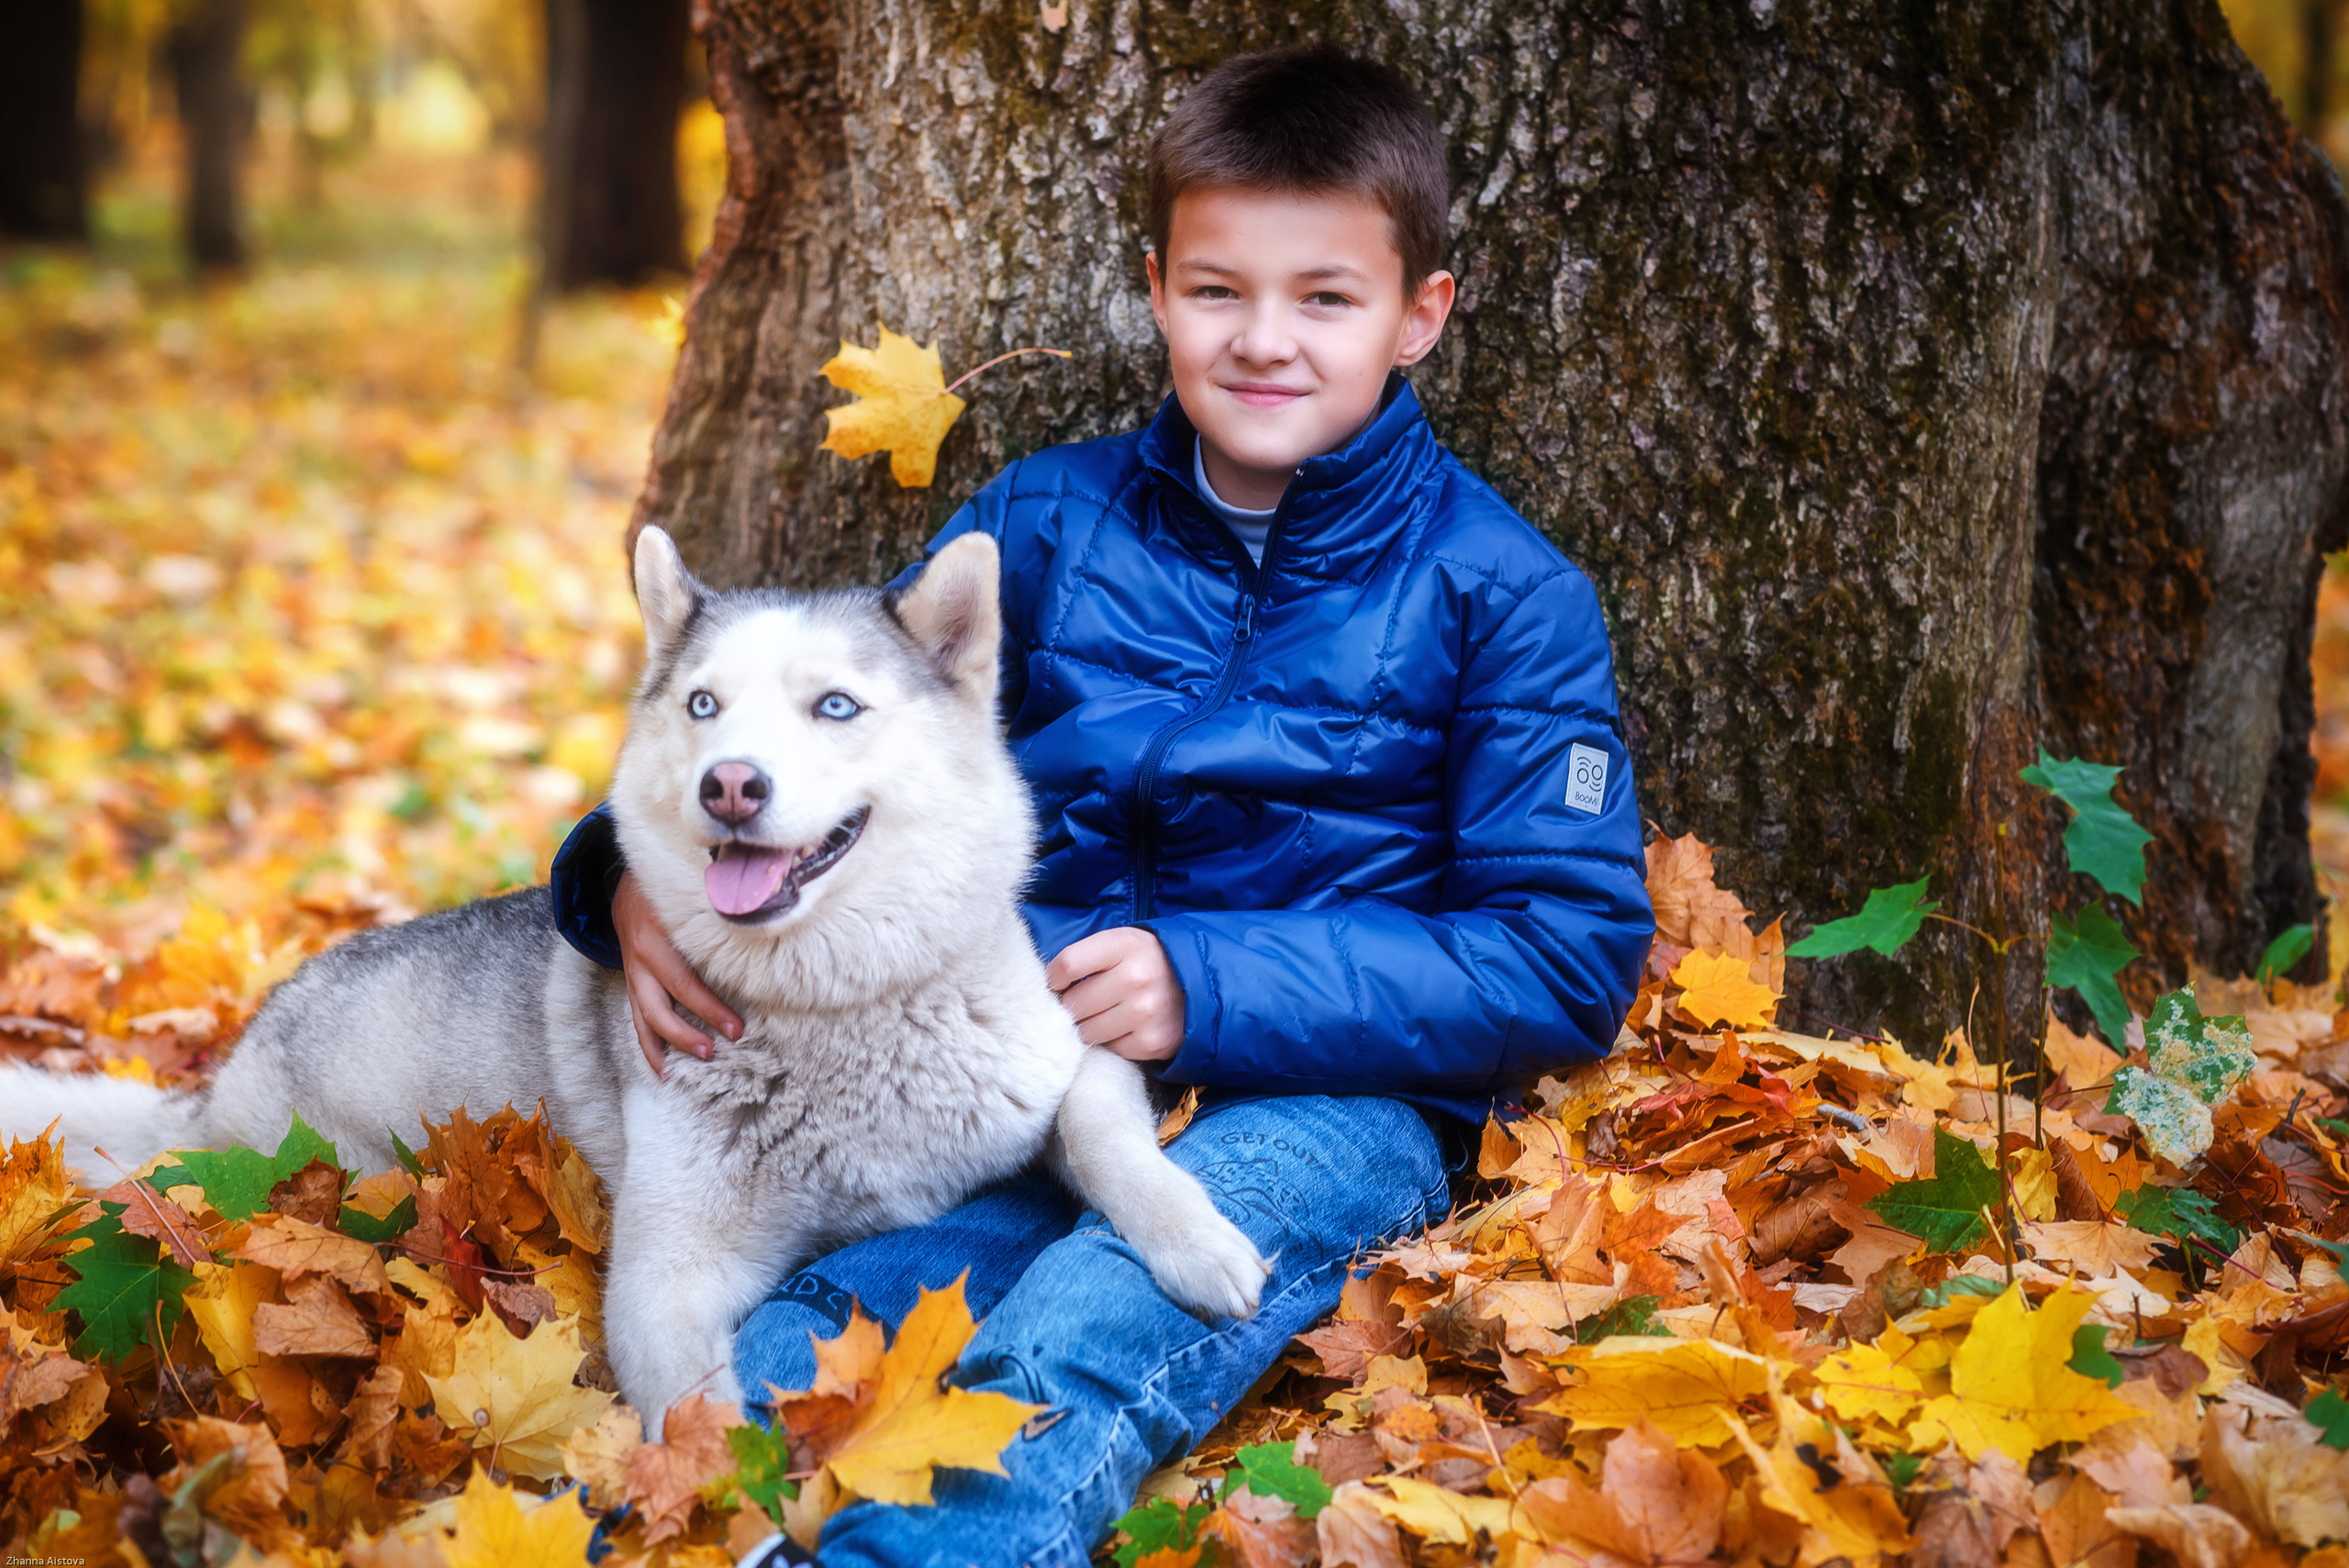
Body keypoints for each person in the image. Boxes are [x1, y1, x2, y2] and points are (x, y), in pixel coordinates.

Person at [548, 44, 1653, 1567]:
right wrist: (606, 868)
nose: (1265, 340)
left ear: (1420, 315)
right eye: (1219, 291)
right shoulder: (1043, 521)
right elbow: (821, 727)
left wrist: (1208, 983)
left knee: (1086, 1324)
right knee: (838, 1319)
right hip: (1025, 1091)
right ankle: (690, 1534)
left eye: (1325, 298)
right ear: (1156, 287)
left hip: (1337, 1103)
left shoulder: (1505, 594)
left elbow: (1566, 953)